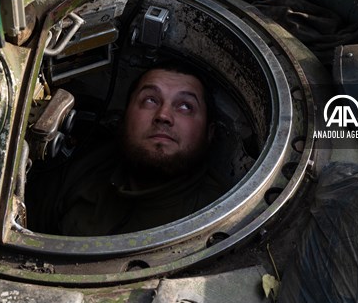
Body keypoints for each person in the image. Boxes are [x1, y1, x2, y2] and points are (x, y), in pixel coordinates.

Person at [32, 62, 229, 236]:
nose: (163, 115)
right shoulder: (83, 166)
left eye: (185, 106)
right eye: (150, 100)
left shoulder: (220, 215)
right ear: (124, 118)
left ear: (209, 133)